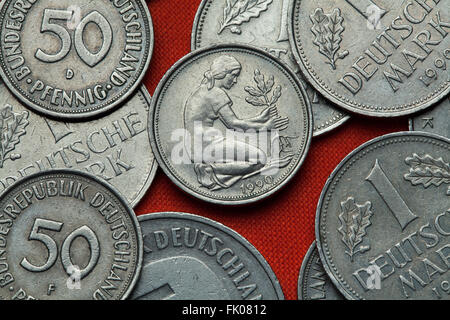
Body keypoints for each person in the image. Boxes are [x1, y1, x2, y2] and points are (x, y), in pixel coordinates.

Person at [183, 55, 292, 191]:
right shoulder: (216, 93)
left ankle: (211, 169)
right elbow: (233, 124)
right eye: (233, 75)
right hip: (207, 146)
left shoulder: (204, 90)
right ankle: (209, 169)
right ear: (223, 73)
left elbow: (233, 121)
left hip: (196, 147)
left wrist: (260, 118)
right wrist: (265, 127)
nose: (235, 81)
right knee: (259, 159)